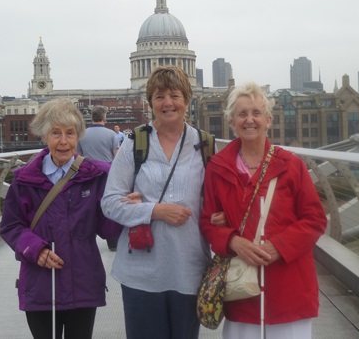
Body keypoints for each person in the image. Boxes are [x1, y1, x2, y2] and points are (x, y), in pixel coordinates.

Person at [200, 83, 327, 339]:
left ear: (268, 120)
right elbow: (207, 222)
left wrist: (279, 246)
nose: (250, 120)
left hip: (289, 291)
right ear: (232, 122)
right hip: (241, 294)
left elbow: (315, 219)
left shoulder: (291, 165)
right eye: (242, 114)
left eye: (256, 113)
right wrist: (234, 242)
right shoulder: (217, 167)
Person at [101, 66, 211, 339]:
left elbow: (215, 203)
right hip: (141, 272)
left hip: (189, 268)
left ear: (188, 99)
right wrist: (154, 210)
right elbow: (110, 203)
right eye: (159, 96)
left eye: (175, 95)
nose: (168, 103)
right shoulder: (135, 142)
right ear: (150, 102)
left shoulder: (205, 145)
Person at [0, 98, 122, 339]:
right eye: (56, 133)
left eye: (70, 133)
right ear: (44, 136)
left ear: (79, 137)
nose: (64, 141)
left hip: (83, 283)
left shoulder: (97, 176)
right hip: (40, 284)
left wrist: (122, 205)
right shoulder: (24, 179)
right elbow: (11, 226)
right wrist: (37, 250)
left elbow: (108, 230)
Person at [77, 105, 120, 251]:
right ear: (104, 118)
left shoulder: (82, 134)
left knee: (87, 208)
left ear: (91, 118)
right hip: (107, 175)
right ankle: (112, 242)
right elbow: (117, 156)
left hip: (87, 174)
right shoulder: (111, 135)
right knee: (108, 208)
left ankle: (88, 241)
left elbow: (78, 156)